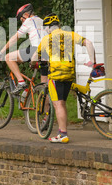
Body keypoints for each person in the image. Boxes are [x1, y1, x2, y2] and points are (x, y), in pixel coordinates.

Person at [35, 13, 96, 143]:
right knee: (62, 103)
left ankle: (62, 134)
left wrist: (33, 63)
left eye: (46, 28)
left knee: (58, 104)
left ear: (49, 27)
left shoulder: (47, 39)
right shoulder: (70, 34)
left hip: (55, 76)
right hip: (69, 73)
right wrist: (92, 62)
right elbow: (89, 43)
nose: (45, 30)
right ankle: (62, 132)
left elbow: (35, 56)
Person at [0, 3, 48, 93]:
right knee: (44, 89)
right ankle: (45, 106)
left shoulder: (29, 21)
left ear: (26, 15)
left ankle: (21, 82)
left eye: (21, 19)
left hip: (36, 50)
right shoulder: (43, 21)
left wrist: (1, 52)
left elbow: (14, 38)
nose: (22, 22)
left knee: (8, 57)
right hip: (47, 53)